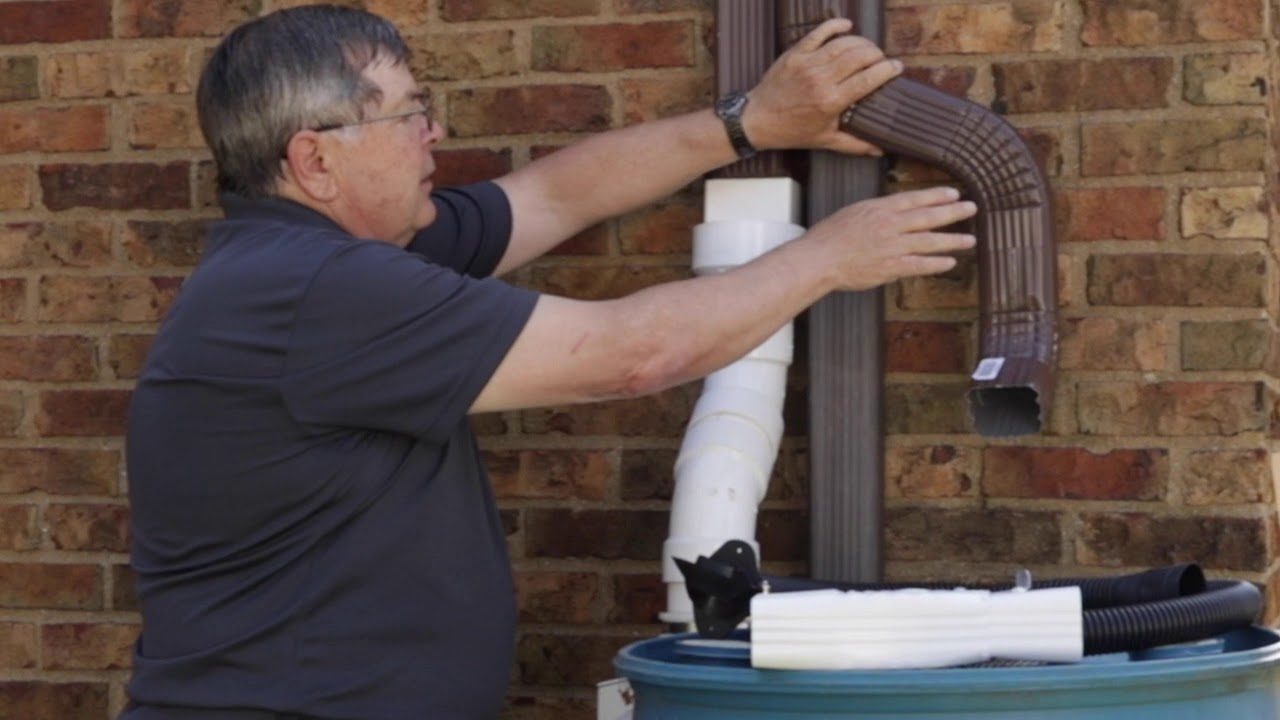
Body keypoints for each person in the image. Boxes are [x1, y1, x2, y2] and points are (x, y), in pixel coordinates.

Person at [122, 4, 977, 719]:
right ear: (315, 159)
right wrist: (829, 257)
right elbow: (633, 355)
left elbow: (551, 196)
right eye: (408, 113)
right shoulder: (317, 289)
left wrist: (750, 122)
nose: (435, 132)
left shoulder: (311, 263)